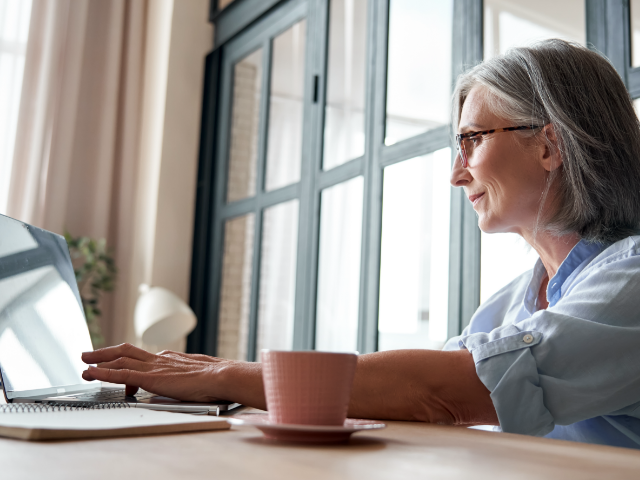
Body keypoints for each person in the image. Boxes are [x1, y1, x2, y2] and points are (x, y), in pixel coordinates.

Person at [82, 39, 640, 449]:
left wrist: (223, 376)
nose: (456, 173)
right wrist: (225, 381)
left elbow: (446, 392)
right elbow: (417, 392)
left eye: (470, 140)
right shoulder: (515, 299)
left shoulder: (630, 279)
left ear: (549, 144)